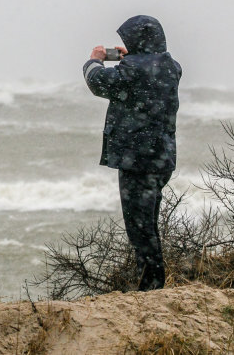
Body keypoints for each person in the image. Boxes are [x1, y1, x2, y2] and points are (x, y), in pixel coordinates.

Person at [83, 15, 182, 291]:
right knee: (148, 223)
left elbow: (97, 82)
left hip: (137, 160)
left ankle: (150, 287)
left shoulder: (132, 71)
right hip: (161, 158)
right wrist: (136, 56)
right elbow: (151, 69)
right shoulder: (172, 67)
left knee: (139, 229)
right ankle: (151, 284)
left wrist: (94, 59)